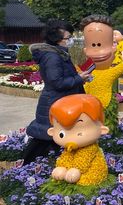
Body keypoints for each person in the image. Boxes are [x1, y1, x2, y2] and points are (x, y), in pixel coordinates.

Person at [24, 20, 92, 164]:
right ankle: (30, 168)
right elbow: (57, 82)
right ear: (56, 39)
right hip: (55, 102)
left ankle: (52, 164)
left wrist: (80, 78)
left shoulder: (59, 53)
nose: (71, 40)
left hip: (61, 100)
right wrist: (79, 79)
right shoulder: (52, 56)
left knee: (54, 137)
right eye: (68, 38)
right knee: (46, 137)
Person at [81, 15, 123, 134]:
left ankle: (108, 136)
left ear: (114, 47)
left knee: (107, 123)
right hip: (88, 104)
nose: (98, 52)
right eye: (93, 45)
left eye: (102, 45)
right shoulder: (86, 69)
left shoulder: (108, 72)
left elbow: (118, 70)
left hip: (106, 103)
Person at [48, 94, 109, 186]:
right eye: (62, 134)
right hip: (72, 172)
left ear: (102, 130)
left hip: (89, 173)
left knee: (85, 180)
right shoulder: (69, 148)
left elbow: (84, 161)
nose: (71, 139)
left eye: (79, 133)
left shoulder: (90, 148)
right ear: (52, 132)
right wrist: (62, 167)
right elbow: (66, 157)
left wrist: (76, 170)